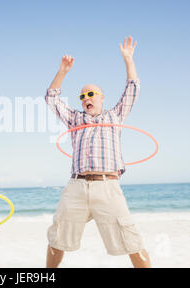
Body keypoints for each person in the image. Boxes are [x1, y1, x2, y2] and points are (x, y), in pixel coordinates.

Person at [44, 36, 151, 268]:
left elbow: (133, 89)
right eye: (82, 96)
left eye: (91, 94)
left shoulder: (114, 116)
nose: (86, 98)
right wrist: (62, 71)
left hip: (107, 185)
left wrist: (128, 59)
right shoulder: (75, 118)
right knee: (57, 237)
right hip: (77, 185)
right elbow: (51, 98)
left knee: (130, 238)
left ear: (102, 98)